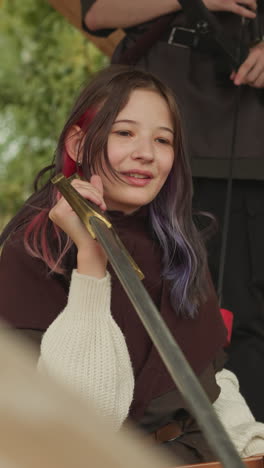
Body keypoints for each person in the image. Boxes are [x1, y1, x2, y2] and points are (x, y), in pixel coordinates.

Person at [0, 66, 264, 465]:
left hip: (196, 455)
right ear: (78, 142)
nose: (146, 152)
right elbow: (81, 420)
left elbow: (212, 381)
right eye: (124, 133)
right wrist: (90, 258)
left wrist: (251, 443)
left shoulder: (177, 242)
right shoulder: (34, 246)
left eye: (162, 139)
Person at [81, 0, 264, 423]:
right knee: (168, 300)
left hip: (250, 141)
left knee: (248, 312)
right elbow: (96, 12)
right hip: (168, 140)